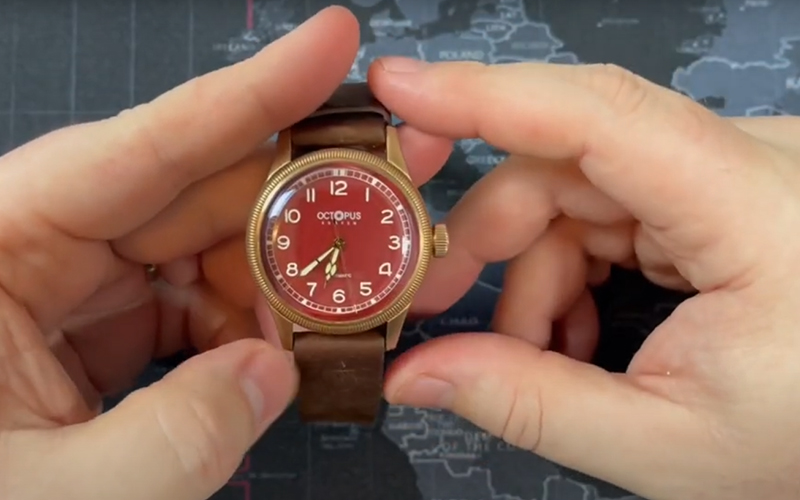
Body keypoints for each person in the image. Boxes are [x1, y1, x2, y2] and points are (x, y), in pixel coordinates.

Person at [1, 5, 797, 500]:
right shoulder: (290, 239)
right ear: (262, 237)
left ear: (426, 240)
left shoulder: (366, 242)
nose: (339, 244)